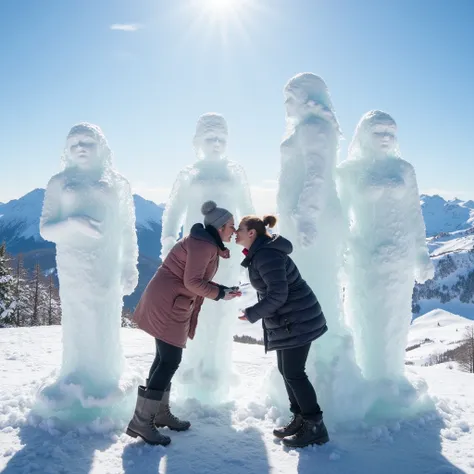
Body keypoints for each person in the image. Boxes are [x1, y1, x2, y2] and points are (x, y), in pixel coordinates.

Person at [126, 200, 241, 446]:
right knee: (169, 360)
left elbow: (193, 280)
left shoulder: (205, 242)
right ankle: (142, 421)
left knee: (163, 359)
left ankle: (157, 414)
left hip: (168, 299)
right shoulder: (203, 246)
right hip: (169, 304)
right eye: (232, 225)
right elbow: (193, 283)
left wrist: (222, 290)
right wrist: (220, 293)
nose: (235, 229)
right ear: (221, 226)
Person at [235, 214, 329, 448]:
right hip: (289, 320)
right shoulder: (262, 252)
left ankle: (315, 426)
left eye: (239, 228)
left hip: (298, 319)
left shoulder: (266, 255)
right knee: (287, 371)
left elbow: (278, 294)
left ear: (251, 233)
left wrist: (253, 313)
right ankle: (300, 419)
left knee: (295, 372)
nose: (235, 232)